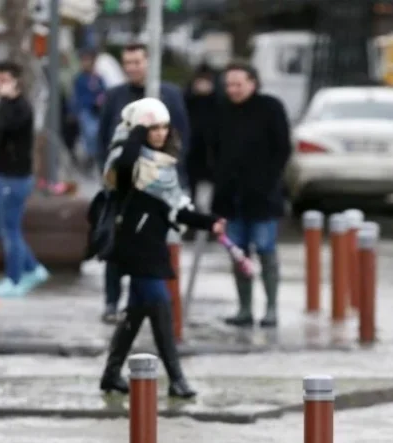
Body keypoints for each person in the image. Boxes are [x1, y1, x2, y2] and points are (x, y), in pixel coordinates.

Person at [98, 97, 224, 398]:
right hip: (133, 246)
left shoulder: (164, 166)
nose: (159, 133)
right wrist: (136, 134)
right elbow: (126, 168)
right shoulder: (125, 159)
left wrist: (210, 222)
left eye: (164, 127)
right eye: (152, 128)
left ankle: (111, 374)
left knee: (137, 312)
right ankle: (177, 379)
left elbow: (175, 209)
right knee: (160, 305)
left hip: (154, 245)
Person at [96, 42, 191, 324]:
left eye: (137, 62)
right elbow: (104, 140)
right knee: (116, 247)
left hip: (158, 186)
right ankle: (113, 302)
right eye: (127, 63)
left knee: (154, 247)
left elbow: (182, 137)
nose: (132, 68)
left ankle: (147, 303)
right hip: (124, 187)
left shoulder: (169, 95)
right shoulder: (115, 97)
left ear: (149, 63)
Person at [211, 61, 291, 329]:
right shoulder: (221, 111)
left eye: (238, 84)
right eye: (229, 85)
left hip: (263, 197)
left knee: (266, 251)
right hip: (230, 199)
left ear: (252, 83)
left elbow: (282, 149)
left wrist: (268, 181)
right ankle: (244, 308)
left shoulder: (270, 108)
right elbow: (211, 149)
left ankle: (271, 308)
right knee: (238, 254)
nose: (232, 90)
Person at [0, 60, 49, 298]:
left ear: (16, 82)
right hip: (0, 174)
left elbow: (7, 127)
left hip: (15, 177)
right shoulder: (5, 105)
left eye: (3, 80)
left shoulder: (21, 107)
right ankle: (33, 267)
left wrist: (7, 99)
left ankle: (14, 278)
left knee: (10, 229)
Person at [183, 64, 219, 210]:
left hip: (209, 163)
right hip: (190, 160)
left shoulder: (218, 103)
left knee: (204, 204)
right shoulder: (186, 101)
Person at [71, 49, 106, 165]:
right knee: (89, 133)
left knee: (95, 134)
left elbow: (103, 92)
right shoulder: (79, 79)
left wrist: (100, 99)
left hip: (97, 112)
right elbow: (77, 97)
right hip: (85, 111)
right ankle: (89, 155)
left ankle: (93, 155)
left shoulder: (98, 78)